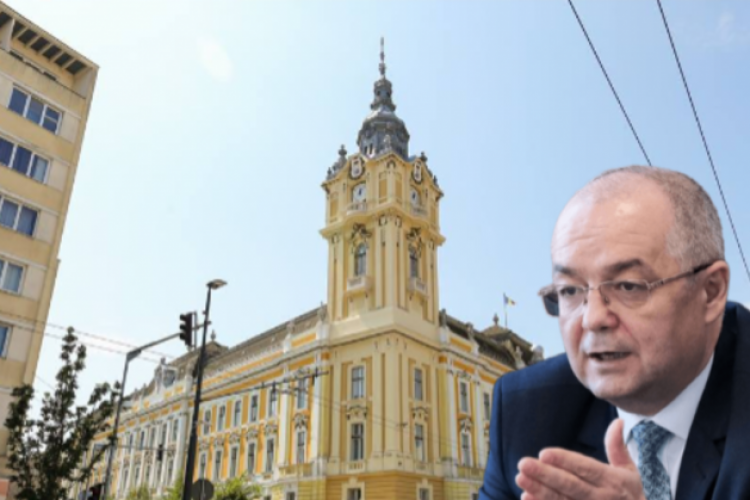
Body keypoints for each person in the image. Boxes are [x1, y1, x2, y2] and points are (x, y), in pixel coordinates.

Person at [479, 166, 750, 500]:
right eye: (569, 291)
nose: (592, 319)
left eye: (628, 286)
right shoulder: (526, 414)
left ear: (710, 292)